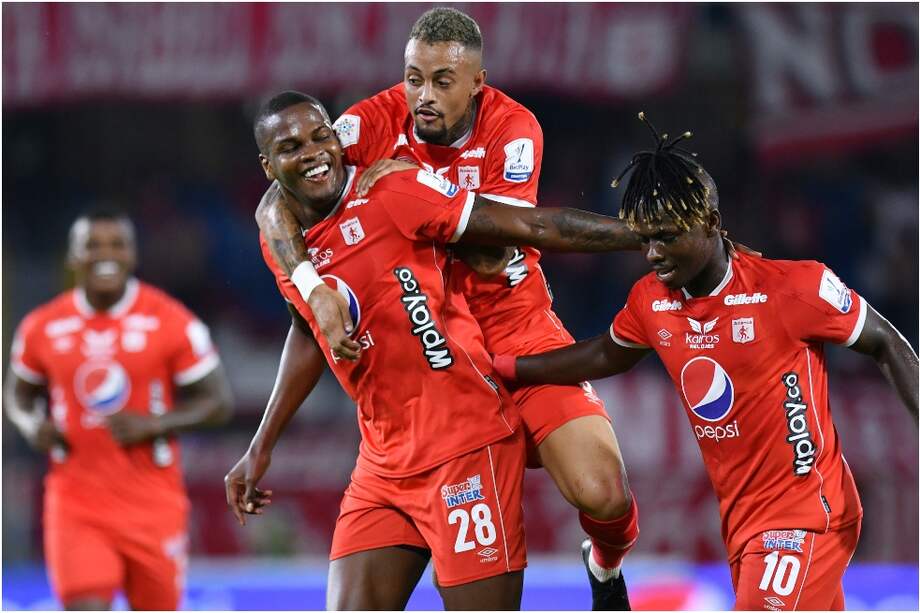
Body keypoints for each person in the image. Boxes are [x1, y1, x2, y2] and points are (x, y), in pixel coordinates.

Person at [254, 9, 640, 607]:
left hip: (515, 326)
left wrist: (417, 195)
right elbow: (282, 194)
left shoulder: (514, 129)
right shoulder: (372, 121)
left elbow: (497, 247)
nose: (422, 97)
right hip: (436, 354)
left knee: (603, 493)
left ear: (477, 83)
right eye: (413, 78)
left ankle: (606, 563)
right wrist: (310, 284)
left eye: (441, 81)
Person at [491, 114, 919, 611]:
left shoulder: (793, 288)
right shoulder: (651, 301)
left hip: (809, 514)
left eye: (668, 236)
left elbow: (887, 342)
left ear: (711, 223)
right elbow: (605, 353)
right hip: (743, 525)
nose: (652, 252)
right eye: (645, 237)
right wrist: (512, 368)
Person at [5, 211, 234, 610]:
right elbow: (16, 394)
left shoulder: (170, 320)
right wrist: (30, 424)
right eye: (92, 245)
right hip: (77, 503)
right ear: (73, 257)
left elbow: (218, 403)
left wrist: (155, 423)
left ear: (133, 254)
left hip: (153, 505)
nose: (105, 255)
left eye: (117, 245)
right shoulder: (41, 327)